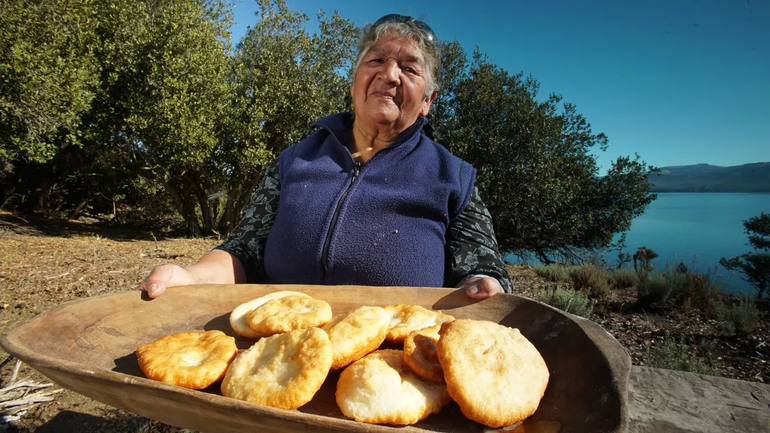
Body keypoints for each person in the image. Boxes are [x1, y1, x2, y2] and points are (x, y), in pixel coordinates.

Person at [137, 14, 513, 300]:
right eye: (376, 60)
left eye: (410, 68)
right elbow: (243, 249)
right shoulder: (294, 160)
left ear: (428, 101)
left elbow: (483, 269)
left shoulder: (454, 178)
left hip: (393, 368)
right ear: (354, 82)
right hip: (276, 344)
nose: (390, 74)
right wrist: (193, 276)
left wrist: (485, 285)